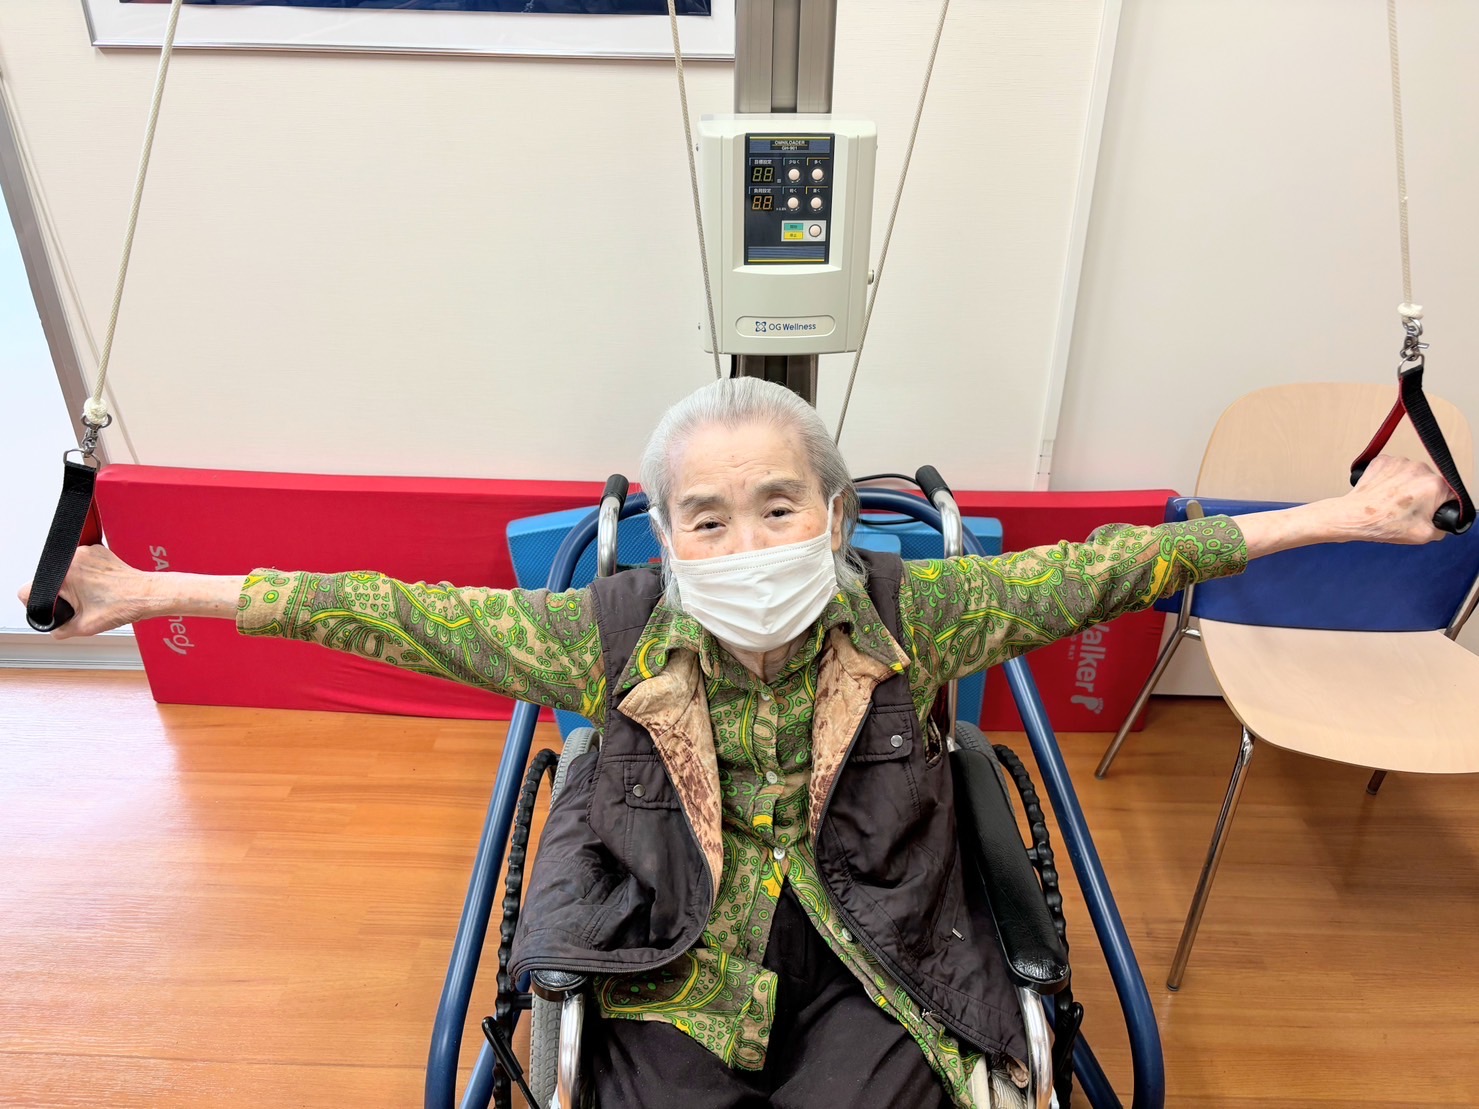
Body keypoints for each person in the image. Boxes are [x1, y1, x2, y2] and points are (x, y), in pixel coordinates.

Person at [19, 377, 1452, 1108]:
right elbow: (377, 609)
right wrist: (149, 591)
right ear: (665, 535)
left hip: (881, 952)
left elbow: (1125, 566)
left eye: (780, 506)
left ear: (834, 515)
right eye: (707, 519)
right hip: (675, 958)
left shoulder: (920, 614)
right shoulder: (607, 636)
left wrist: (1346, 517)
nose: (750, 542)